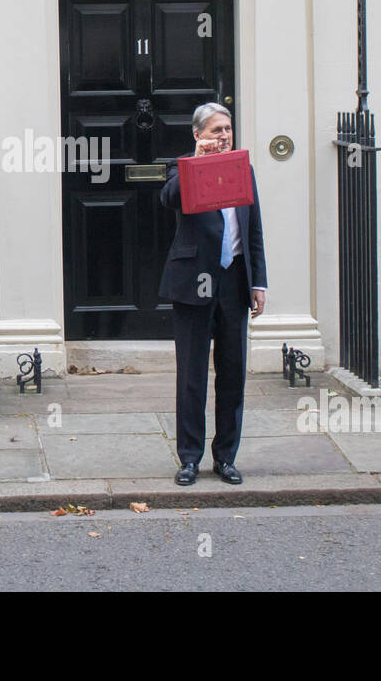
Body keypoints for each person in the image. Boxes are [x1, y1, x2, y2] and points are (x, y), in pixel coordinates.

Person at [158, 103, 267, 485]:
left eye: (228, 130)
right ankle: (189, 458)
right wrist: (195, 161)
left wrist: (258, 282)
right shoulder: (181, 168)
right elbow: (169, 198)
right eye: (216, 130)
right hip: (194, 282)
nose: (224, 136)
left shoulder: (243, 170)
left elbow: (253, 229)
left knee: (232, 373)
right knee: (191, 375)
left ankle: (226, 458)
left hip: (234, 281)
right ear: (198, 135)